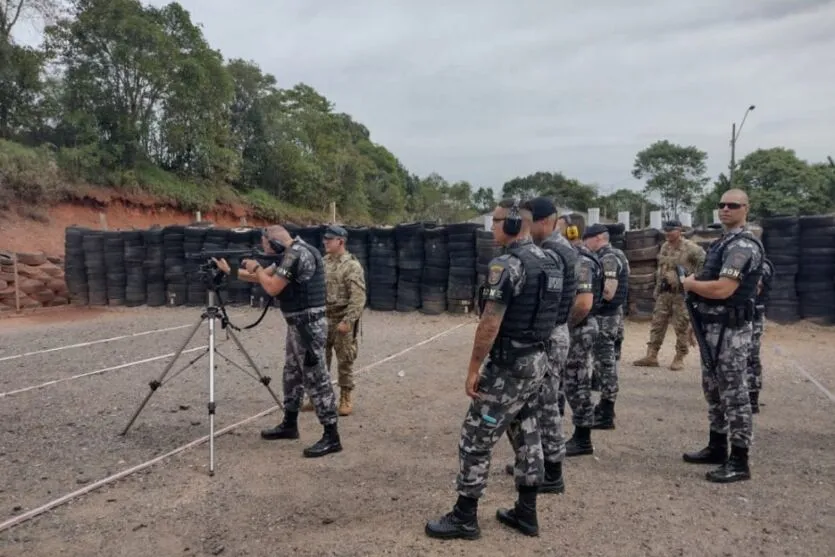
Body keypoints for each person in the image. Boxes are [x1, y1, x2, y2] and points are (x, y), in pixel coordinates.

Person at [425, 199, 561, 540]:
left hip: (509, 365)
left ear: (515, 225)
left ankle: (465, 517)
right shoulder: (552, 261)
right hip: (537, 361)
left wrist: (473, 368)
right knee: (527, 432)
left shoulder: (508, 265)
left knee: (476, 438)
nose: (492, 227)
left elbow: (489, 323)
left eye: (497, 221)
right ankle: (526, 513)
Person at [212, 225, 342, 458]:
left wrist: (258, 267)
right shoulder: (290, 254)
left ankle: (332, 436)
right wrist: (229, 270)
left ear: (274, 243)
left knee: (316, 378)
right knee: (292, 374)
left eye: (265, 246)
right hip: (298, 324)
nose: (265, 250)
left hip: (308, 326)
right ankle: (290, 423)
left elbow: (271, 286)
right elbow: (260, 278)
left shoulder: (297, 255)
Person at [681, 189, 764, 483]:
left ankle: (739, 460)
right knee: (713, 390)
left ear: (745, 209)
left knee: (734, 393)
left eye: (733, 205)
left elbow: (723, 289)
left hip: (731, 330)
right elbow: (711, 286)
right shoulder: (722, 243)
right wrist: (697, 321)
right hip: (712, 326)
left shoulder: (743, 247)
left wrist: (690, 285)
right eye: (722, 205)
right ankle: (717, 446)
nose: (726, 209)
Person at [500, 197, 574, 493]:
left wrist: (557, 326)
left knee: (545, 404)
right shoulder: (554, 250)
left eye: (528, 222)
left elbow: (577, 302)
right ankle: (536, 464)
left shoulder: (555, 252)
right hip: (551, 332)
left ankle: (552, 473)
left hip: (550, 335)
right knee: (537, 402)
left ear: (543, 221)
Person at [301, 225, 366, 416]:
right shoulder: (323, 262)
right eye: (325, 239)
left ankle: (346, 396)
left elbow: (358, 297)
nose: (325, 242)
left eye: (330, 239)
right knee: (319, 360)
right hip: (322, 317)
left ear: (341, 241)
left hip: (341, 319)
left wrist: (349, 321)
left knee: (345, 360)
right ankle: (316, 397)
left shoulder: (351, 265)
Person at [633, 219, 706, 370]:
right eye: (666, 230)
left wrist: (688, 280)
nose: (667, 233)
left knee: (681, 326)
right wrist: (657, 288)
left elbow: (704, 269)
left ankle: (679, 357)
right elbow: (661, 268)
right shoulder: (665, 247)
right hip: (664, 293)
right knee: (657, 324)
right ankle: (652, 355)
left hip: (681, 294)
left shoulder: (692, 249)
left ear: (680, 231)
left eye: (671, 230)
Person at [563, 225, 605, 456]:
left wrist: (564, 326)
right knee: (568, 382)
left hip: (579, 328)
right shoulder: (574, 257)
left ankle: (582, 438)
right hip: (578, 326)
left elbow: (584, 303)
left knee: (576, 382)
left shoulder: (582, 260)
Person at [583, 224, 629, 430]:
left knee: (605, 363)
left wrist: (591, 302)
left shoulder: (608, 257)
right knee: (608, 361)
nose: (585, 242)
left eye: (588, 238)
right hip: (614, 317)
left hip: (606, 318)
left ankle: (606, 411)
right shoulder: (618, 254)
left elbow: (609, 291)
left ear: (599, 238)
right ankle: (605, 406)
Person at [748, 257, 773, 414]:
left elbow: (755, 288)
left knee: (751, 357)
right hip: (742, 315)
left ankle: (752, 399)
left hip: (753, 316)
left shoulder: (762, 266)